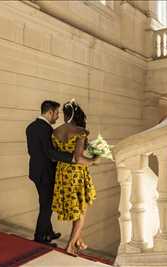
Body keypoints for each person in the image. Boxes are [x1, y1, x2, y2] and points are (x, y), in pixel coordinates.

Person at [26, 100, 75, 246]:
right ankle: (40, 237)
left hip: (35, 171)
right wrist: (71, 158)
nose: (58, 116)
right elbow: (49, 152)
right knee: (46, 206)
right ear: (49, 112)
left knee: (46, 203)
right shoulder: (46, 129)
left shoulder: (31, 127)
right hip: (45, 173)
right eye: (56, 113)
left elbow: (31, 151)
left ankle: (49, 232)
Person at [51, 100, 97, 256]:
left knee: (75, 209)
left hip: (62, 173)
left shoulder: (55, 132)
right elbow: (77, 158)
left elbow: (57, 154)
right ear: (76, 114)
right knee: (81, 211)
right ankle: (70, 246)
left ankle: (78, 239)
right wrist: (93, 159)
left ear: (65, 114)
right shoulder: (80, 132)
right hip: (76, 175)